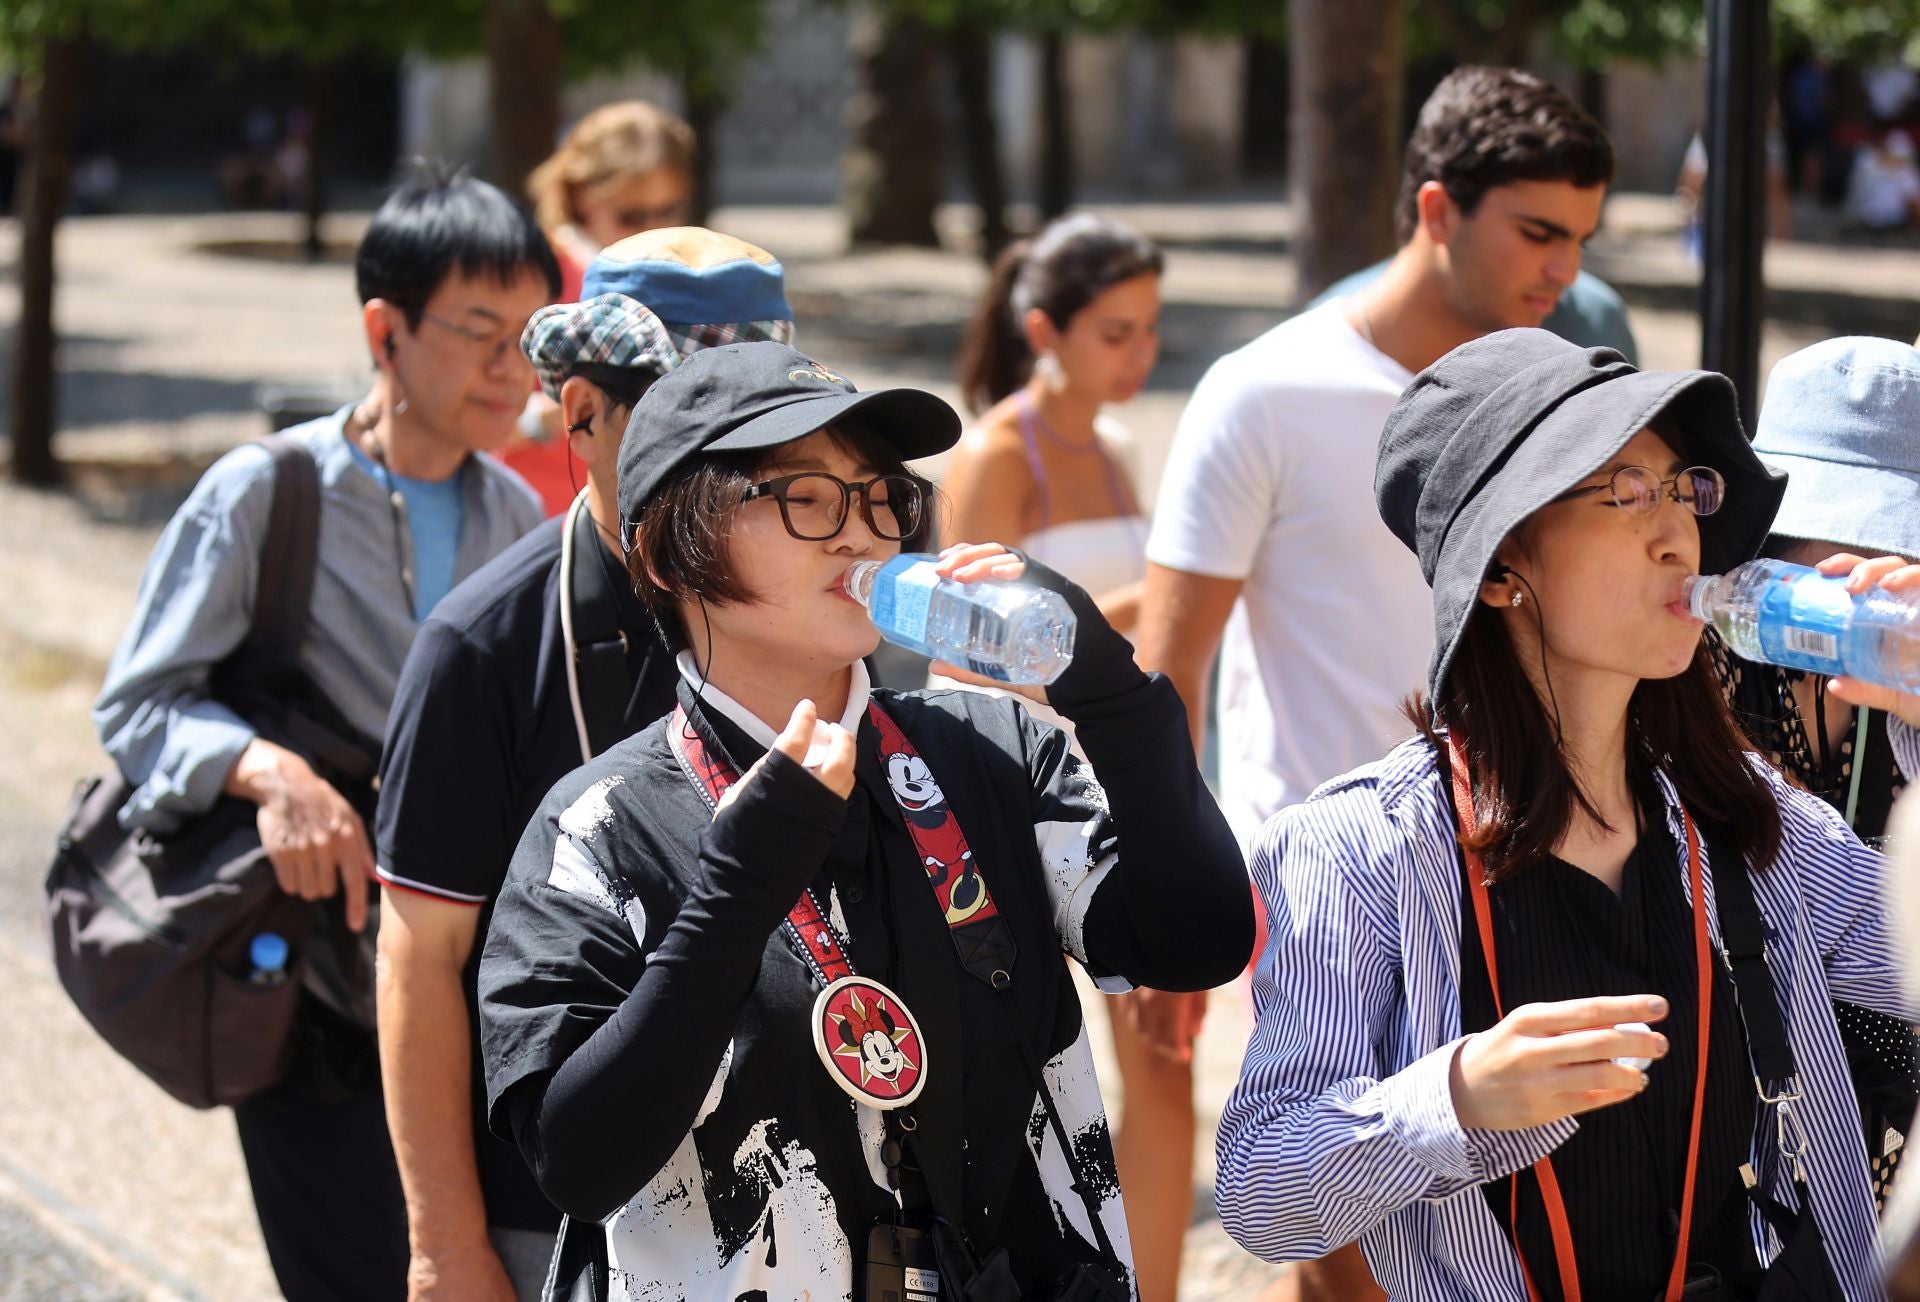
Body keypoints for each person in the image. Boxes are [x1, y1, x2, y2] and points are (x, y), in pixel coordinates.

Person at [475, 341, 1253, 1299]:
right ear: (663, 547)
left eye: (880, 495)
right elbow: (577, 1161)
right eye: (806, 498)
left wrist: (1114, 693)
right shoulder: (596, 827)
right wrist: (738, 889)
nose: (861, 536)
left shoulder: (991, 748)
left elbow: (1196, 941)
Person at [1215, 326, 1920, 1299]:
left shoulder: (1755, 830)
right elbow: (1259, 1192)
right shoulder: (1355, 853)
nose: (1677, 530)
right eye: (1625, 492)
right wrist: (1454, 1100)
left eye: (1686, 489)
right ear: (1502, 569)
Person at [1135, 66, 1613, 1300]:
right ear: (1439, 209)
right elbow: (1164, 674)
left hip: (1520, 867)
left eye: (1582, 239)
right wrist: (1160, 928)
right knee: (1349, 1263)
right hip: (1319, 903)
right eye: (1539, 232)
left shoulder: (1558, 404)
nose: (1563, 269)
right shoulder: (1264, 392)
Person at [91, 166, 557, 1302]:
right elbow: (138, 705)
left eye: (530, 338)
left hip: (455, 981)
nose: (513, 371)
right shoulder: (267, 490)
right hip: (299, 984)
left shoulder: (515, 511)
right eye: (480, 333)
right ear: (383, 330)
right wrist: (269, 771)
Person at [373, 226, 793, 1301]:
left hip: (792, 1180)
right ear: (579, 413)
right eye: (679, 413)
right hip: (548, 1204)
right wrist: (446, 1247)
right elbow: (420, 957)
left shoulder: (804, 610)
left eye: (750, 425)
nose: (718, 459)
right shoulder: (483, 646)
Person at [943, 211, 1192, 1300]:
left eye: (1149, 331)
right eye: (1116, 332)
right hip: (1027, 803)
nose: (1139, 355)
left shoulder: (1122, 445)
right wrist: (1159, 605)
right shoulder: (1000, 449)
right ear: (1044, 328)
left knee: (1167, 1059)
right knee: (1043, 1071)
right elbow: (960, 655)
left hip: (1124, 779)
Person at [507, 101, 699, 514]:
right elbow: (467, 416)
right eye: (632, 215)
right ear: (581, 196)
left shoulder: (687, 275)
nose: (654, 229)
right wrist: (542, 417)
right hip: (540, 510)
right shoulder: (533, 275)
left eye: (669, 210)